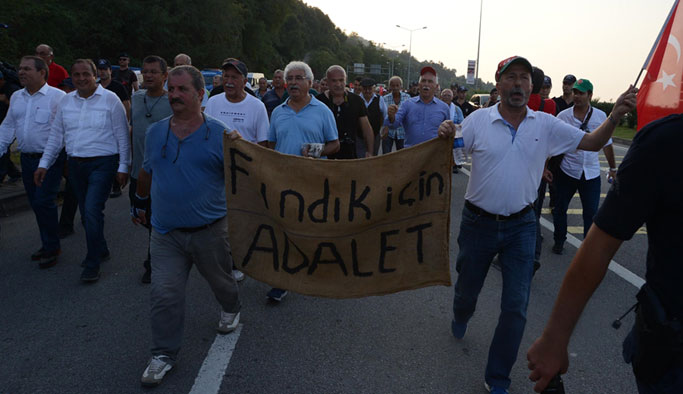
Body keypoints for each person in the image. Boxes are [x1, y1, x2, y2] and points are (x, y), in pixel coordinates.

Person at [437, 55, 637, 394]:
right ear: (498, 84)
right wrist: (445, 134)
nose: (518, 84)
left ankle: (498, 375)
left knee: (516, 307)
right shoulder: (477, 121)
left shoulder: (545, 124)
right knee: (467, 292)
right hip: (478, 225)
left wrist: (615, 115)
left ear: (531, 86)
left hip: (522, 227)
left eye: (524, 78)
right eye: (511, 77)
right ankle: (461, 313)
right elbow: (449, 151)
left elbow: (589, 142)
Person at [527, 113, 679, 394]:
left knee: (587, 218)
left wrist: (611, 160)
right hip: (672, 350)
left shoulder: (610, 122)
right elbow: (601, 243)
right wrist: (555, 338)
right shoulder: (666, 142)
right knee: (561, 212)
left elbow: (598, 141)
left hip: (589, 176)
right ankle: (559, 240)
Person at [132, 65, 242, 387]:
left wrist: (240, 150)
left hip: (209, 231)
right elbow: (147, 171)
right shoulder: (156, 132)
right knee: (164, 293)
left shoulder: (221, 134)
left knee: (222, 282)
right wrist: (138, 203)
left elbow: (241, 180)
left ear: (200, 94)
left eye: (182, 90)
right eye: (171, 90)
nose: (174, 95)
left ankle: (231, 307)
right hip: (165, 233)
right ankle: (163, 354)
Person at [35, 59, 131, 282]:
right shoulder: (66, 102)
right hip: (75, 165)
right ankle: (102, 248)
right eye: (76, 75)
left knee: (90, 210)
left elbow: (122, 135)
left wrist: (123, 166)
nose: (81, 79)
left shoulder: (110, 99)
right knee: (90, 214)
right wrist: (43, 164)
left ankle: (92, 262)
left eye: (85, 74)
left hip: (103, 163)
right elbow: (56, 137)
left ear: (95, 75)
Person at [266, 60, 339, 302]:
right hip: (283, 181)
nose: (294, 83)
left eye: (299, 78)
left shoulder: (323, 111)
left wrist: (317, 150)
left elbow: (335, 144)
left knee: (309, 226)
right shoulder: (278, 112)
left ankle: (313, 266)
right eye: (291, 78)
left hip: (313, 180)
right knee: (283, 227)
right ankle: (282, 279)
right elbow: (271, 144)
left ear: (310, 82)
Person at [0, 56, 66, 267]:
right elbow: (8, 127)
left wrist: (46, 162)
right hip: (27, 160)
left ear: (42, 73)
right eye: (20, 68)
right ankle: (48, 242)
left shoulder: (57, 97)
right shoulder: (17, 97)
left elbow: (60, 133)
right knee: (36, 204)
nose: (21, 72)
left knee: (44, 201)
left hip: (50, 159)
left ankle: (52, 247)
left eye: (27, 69)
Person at [551, 78, 617, 254]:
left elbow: (607, 144)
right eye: (575, 92)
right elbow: (551, 142)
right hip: (567, 171)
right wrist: (544, 167)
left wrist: (613, 168)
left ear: (590, 95)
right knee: (560, 209)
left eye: (581, 93)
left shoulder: (601, 116)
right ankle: (559, 240)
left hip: (591, 173)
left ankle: (588, 250)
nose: (577, 96)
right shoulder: (563, 116)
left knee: (591, 214)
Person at [129, 55, 172, 284]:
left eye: (154, 72)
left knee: (156, 220)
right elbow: (130, 131)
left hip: (163, 174)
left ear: (165, 76)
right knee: (142, 217)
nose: (149, 75)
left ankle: (153, 262)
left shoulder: (172, 101)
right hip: (138, 171)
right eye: (145, 71)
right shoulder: (136, 98)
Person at [316, 65, 373, 159]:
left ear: (345, 80)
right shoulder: (318, 102)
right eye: (334, 81)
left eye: (341, 80)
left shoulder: (357, 101)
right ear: (327, 81)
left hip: (349, 155)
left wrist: (369, 152)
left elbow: (367, 129)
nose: (338, 84)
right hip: (324, 157)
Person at [385, 66, 450, 148]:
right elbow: (393, 125)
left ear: (436, 87)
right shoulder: (407, 104)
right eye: (423, 81)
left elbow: (449, 134)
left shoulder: (444, 108)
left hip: (434, 156)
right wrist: (391, 117)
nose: (426, 84)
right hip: (411, 155)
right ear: (419, 85)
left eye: (430, 81)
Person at [97, 58, 131, 199]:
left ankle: (116, 185)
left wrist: (125, 123)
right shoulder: (95, 86)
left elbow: (126, 105)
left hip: (115, 125)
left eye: (105, 69)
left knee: (116, 156)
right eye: (100, 69)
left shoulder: (117, 87)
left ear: (110, 71)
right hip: (99, 127)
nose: (102, 72)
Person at [0, 69, 22, 184]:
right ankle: (14, 173)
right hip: (3, 122)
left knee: (5, 150)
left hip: (10, 123)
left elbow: (18, 105)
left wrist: (6, 99)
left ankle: (2, 174)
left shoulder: (12, 88)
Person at [380, 76, 410, 153]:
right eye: (393, 85)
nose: (395, 88)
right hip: (388, 131)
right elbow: (383, 115)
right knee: (386, 157)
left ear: (401, 86)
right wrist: (385, 126)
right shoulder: (385, 98)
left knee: (402, 157)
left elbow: (408, 114)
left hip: (402, 132)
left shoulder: (407, 98)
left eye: (397, 85)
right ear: (390, 87)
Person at [358, 77, 386, 156]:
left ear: (374, 88)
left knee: (373, 158)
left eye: (369, 89)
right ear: (361, 89)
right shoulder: (357, 99)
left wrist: (384, 128)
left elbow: (385, 115)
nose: (367, 91)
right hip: (359, 136)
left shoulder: (380, 99)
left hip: (375, 134)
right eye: (365, 89)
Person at [440, 88, 465, 173]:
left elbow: (462, 122)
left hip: (453, 133)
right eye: (444, 95)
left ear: (452, 97)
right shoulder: (436, 107)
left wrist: (453, 127)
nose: (446, 97)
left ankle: (454, 163)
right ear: (441, 97)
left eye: (449, 95)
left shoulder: (457, 109)